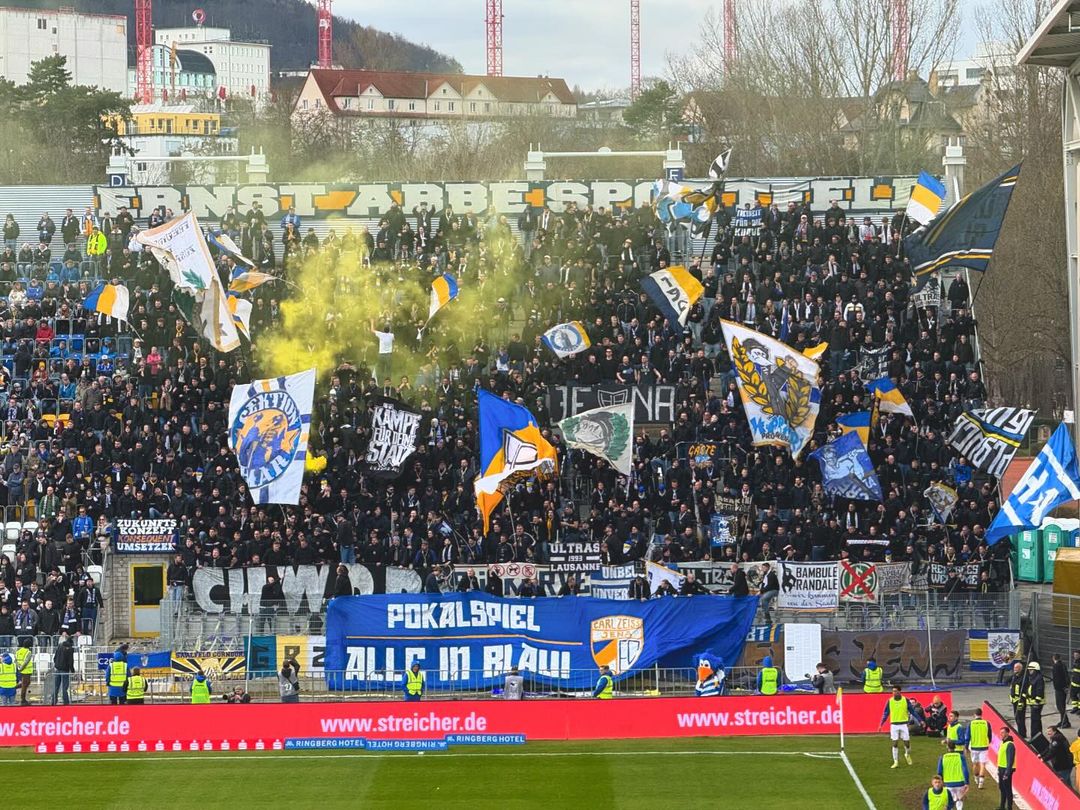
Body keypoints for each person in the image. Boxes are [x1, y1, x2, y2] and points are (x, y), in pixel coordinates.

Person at [879, 685, 913, 768]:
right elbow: (886, 713)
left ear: (899, 691)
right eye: (893, 691)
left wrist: (920, 720)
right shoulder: (890, 701)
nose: (894, 693)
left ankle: (907, 754)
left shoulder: (905, 700)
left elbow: (912, 711)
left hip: (904, 724)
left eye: (895, 691)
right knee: (895, 743)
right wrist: (881, 724)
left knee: (907, 743)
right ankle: (896, 761)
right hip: (894, 725)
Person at [936, 740, 970, 810]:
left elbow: (939, 772)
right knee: (960, 800)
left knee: (949, 801)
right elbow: (965, 770)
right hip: (960, 783)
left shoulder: (942, 757)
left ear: (947, 747)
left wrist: (940, 782)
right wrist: (967, 782)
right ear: (955, 747)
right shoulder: (960, 757)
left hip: (948, 784)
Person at [966, 707, 991, 790]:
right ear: (981, 714)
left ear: (974, 715)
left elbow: (968, 736)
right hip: (984, 746)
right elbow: (989, 735)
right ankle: (981, 782)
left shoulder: (971, 724)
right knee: (983, 764)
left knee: (975, 764)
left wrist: (966, 746)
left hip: (974, 747)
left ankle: (976, 778)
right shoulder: (986, 723)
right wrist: (988, 742)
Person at [51, 632, 74, 706]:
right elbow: (70, 661)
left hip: (57, 668)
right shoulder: (70, 649)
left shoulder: (60, 646)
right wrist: (72, 670)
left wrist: (56, 664)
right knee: (64, 688)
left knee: (56, 686)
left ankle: (53, 701)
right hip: (65, 670)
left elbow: (55, 657)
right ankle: (66, 702)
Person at [997, 726, 1016, 810]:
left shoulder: (1010, 744)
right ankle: (1002, 806)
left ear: (1007, 733)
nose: (1001, 734)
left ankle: (1009, 807)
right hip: (1001, 768)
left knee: (1007, 789)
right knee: (1002, 787)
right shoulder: (1003, 743)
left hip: (1006, 769)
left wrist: (1007, 772)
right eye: (1000, 732)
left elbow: (1010, 759)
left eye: (1003, 732)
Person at [1027, 660, 1046, 739]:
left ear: (1035, 670)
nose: (1030, 671)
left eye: (1031, 670)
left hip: (1036, 703)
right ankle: (1037, 735)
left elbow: (1039, 690)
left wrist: (1037, 702)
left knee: (1035, 720)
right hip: (1033, 702)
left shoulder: (1039, 678)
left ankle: (1035, 736)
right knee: (1035, 719)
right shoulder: (1033, 677)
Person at [1009, 660, 1028, 739]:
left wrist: (1022, 700)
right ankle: (1020, 732)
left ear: (1020, 668)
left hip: (1020, 700)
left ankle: (1022, 733)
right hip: (1014, 700)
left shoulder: (1023, 677)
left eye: (1016, 668)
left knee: (1021, 717)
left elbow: (1025, 690)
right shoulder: (1015, 676)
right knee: (1017, 717)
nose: (1014, 669)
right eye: (1014, 668)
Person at [1053, 653, 1072, 729]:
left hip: (1059, 689)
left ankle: (1065, 722)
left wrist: (1058, 687)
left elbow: (1057, 679)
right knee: (1061, 706)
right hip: (1063, 688)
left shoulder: (1056, 666)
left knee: (1060, 706)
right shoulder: (1063, 665)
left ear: (1054, 658)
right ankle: (1063, 720)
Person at [15, 638, 33, 705]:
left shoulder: (18, 651)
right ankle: (23, 700)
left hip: (21, 670)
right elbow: (26, 662)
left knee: (26, 683)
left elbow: (16, 660)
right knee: (25, 685)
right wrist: (21, 668)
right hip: (26, 671)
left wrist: (19, 668)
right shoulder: (28, 652)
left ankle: (14, 687)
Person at [1071, 650, 1080, 715]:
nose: (1075, 656)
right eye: (1074, 655)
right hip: (1074, 683)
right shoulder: (1074, 661)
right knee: (1073, 695)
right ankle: (1075, 707)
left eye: (1076, 655)